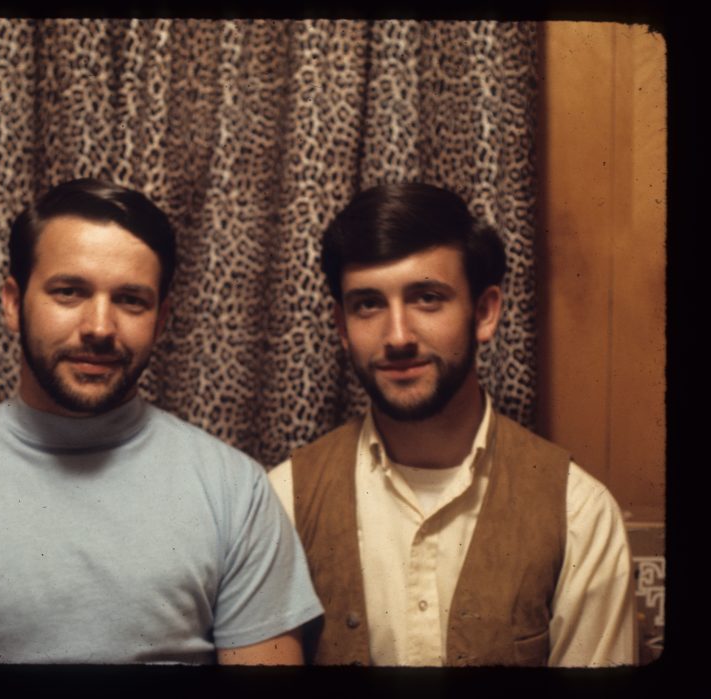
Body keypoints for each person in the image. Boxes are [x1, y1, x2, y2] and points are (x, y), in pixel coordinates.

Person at [0, 178, 323, 664]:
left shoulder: (235, 492)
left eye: (131, 300)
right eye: (69, 292)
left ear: (161, 318)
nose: (99, 327)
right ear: (12, 303)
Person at [268, 183, 634, 667]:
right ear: (341, 326)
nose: (397, 336)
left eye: (427, 298)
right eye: (368, 305)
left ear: (484, 313)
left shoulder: (579, 514)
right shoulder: (282, 503)